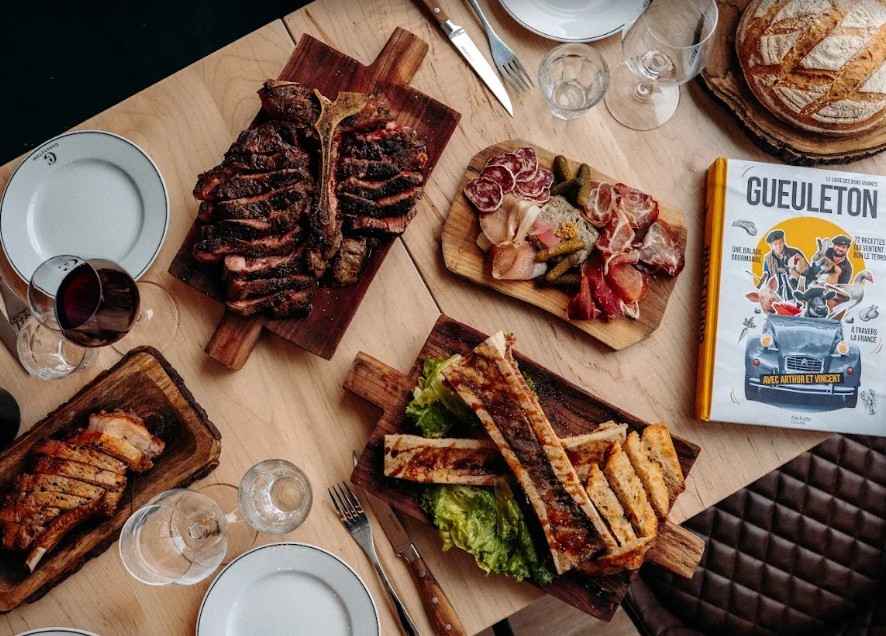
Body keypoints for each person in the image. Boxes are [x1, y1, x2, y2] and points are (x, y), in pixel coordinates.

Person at [762, 229, 808, 299]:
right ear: (771, 246)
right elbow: (767, 277)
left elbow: (809, 273)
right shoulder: (768, 259)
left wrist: (798, 275)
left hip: (796, 294)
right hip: (777, 296)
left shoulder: (795, 253)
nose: (778, 246)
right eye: (775, 244)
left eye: (780, 242)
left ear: (784, 241)